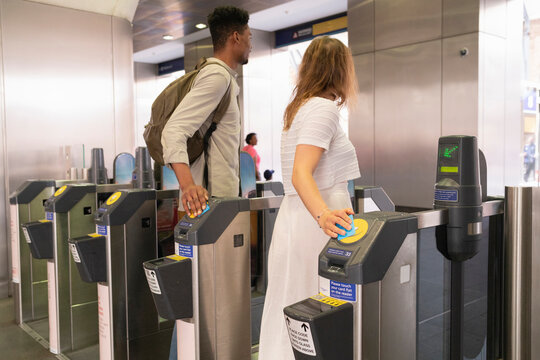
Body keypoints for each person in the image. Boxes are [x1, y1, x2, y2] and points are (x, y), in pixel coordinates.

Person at [258, 36, 360, 359]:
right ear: (339, 69)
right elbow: (301, 172)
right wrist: (324, 215)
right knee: (316, 312)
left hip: (296, 220)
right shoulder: (324, 108)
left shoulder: (300, 108)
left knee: (292, 310)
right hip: (316, 225)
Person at [160, 5, 251, 360]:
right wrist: (188, 186)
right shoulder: (216, 78)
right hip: (209, 208)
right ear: (235, 37)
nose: (251, 44)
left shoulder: (218, 78)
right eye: (249, 37)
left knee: (201, 300)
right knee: (201, 300)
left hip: (214, 206)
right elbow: (173, 132)